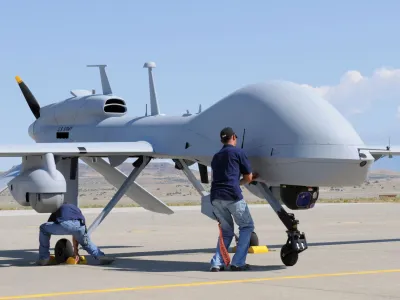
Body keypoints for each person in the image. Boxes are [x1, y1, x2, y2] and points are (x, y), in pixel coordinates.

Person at [209, 126, 258, 272]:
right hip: (232, 196)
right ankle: (238, 262)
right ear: (234, 137)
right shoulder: (238, 152)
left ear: (221, 140)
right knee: (246, 226)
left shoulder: (216, 156)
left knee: (226, 231)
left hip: (216, 197)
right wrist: (245, 181)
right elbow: (248, 177)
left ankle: (217, 263)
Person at [36, 203, 115, 265]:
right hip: (80, 225)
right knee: (86, 243)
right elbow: (75, 233)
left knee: (43, 229)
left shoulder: (57, 208)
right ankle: (101, 256)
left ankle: (44, 258)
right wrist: (76, 252)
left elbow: (50, 224)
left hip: (65, 224)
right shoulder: (74, 208)